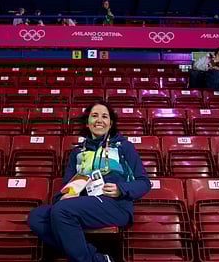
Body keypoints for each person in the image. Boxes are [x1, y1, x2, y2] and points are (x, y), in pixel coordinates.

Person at [28, 101, 151, 262]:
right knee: (36, 217)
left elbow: (144, 182)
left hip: (115, 205)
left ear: (110, 123)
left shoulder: (124, 147)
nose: (99, 120)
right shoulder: (77, 152)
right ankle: (97, 259)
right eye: (94, 116)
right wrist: (63, 197)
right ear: (87, 123)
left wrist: (120, 188)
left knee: (62, 211)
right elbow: (67, 185)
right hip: (83, 205)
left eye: (104, 116)